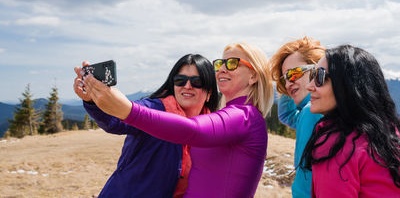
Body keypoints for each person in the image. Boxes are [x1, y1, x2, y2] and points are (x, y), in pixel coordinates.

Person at [81, 42, 274, 198]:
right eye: (219, 64)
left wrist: (128, 110)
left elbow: (193, 131)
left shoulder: (244, 116)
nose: (222, 69)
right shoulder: (227, 116)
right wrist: (93, 100)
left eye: (232, 63)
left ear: (253, 76)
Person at [73, 54, 219, 198]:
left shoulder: (213, 129)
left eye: (197, 81)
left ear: (209, 92)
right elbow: (114, 121)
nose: (187, 86)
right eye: (180, 80)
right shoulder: (154, 109)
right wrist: (93, 101)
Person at [300, 45, 400, 197]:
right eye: (311, 75)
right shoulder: (391, 133)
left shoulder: (336, 145)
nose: (309, 86)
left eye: (320, 77)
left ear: (347, 85)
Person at [269, 36, 325, 197]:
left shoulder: (311, 111)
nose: (287, 84)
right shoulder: (326, 108)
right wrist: (290, 85)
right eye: (284, 79)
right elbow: (287, 115)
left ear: (318, 69)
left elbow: (305, 178)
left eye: (294, 73)